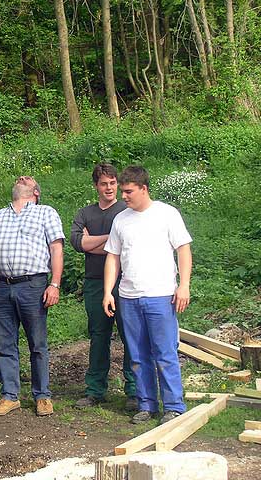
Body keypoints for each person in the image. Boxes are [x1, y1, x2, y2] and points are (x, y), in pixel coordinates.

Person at [102, 166, 192, 425]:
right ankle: (146, 404)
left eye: (128, 191)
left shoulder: (166, 214)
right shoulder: (121, 219)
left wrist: (183, 285)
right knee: (137, 355)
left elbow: (183, 250)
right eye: (122, 191)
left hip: (160, 295)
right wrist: (108, 291)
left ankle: (173, 406)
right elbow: (113, 258)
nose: (124, 196)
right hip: (128, 297)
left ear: (143, 188)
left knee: (165, 352)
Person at [0, 176, 64, 417]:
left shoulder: (45, 212)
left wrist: (55, 284)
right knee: (3, 342)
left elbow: (56, 248)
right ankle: (9, 395)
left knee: (37, 343)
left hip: (33, 285)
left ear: (36, 192)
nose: (22, 178)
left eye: (28, 180)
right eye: (20, 178)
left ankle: (42, 395)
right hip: (0, 285)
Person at [70, 164, 137, 410]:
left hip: (126, 282)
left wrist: (93, 242)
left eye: (112, 183)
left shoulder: (126, 211)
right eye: (103, 183)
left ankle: (134, 391)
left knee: (130, 337)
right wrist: (110, 240)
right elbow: (78, 243)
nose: (108, 188)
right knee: (99, 337)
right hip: (95, 283)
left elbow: (125, 245)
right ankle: (95, 389)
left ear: (117, 184)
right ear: (96, 186)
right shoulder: (85, 213)